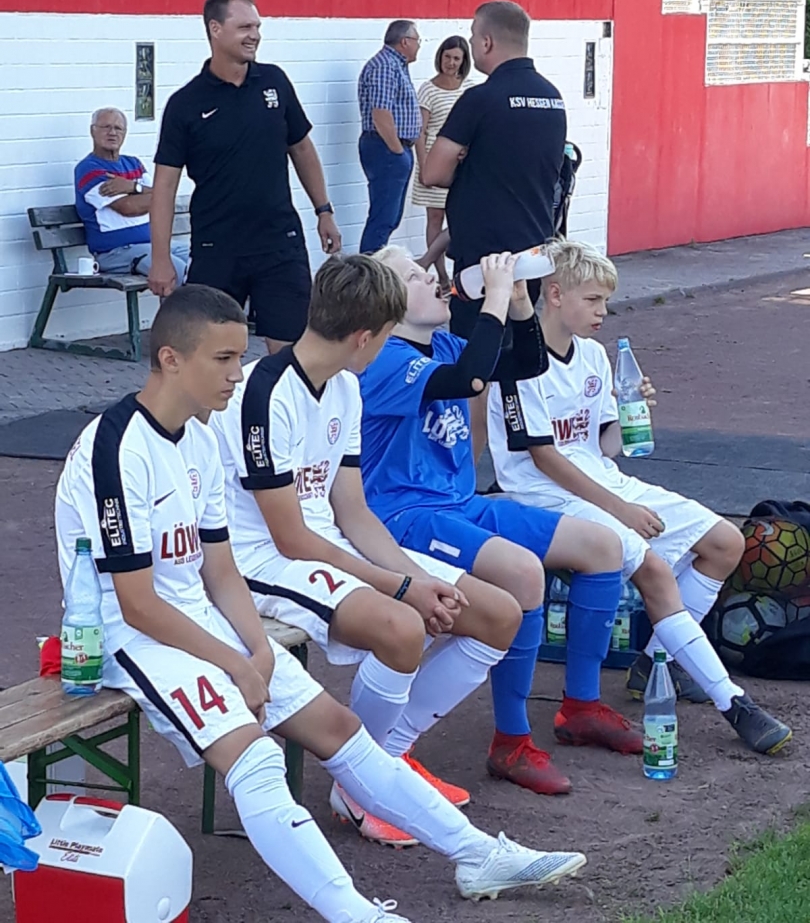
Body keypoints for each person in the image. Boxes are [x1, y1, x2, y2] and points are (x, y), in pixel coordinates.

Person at [54, 284, 587, 921]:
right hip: (126, 636)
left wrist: (256, 649)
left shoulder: (197, 437)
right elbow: (137, 604)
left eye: (238, 356)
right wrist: (235, 660)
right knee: (257, 759)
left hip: (197, 617)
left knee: (341, 730)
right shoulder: (114, 446)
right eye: (222, 359)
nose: (236, 373)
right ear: (170, 359)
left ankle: (477, 854)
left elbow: (219, 568)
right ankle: (355, 913)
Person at [209, 253, 521, 845]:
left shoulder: (346, 386)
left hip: (320, 544)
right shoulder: (264, 393)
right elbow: (291, 537)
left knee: (497, 614)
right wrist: (402, 587)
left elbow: (352, 511)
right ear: (365, 336)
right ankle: (362, 787)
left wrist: (415, 578)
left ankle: (384, 761)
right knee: (402, 627)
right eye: (386, 335)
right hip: (260, 559)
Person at [487, 239, 793, 756]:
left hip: (600, 479)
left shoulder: (592, 355)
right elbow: (544, 457)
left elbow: (603, 446)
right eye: (593, 300)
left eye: (606, 301)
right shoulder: (519, 358)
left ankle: (656, 661)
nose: (603, 312)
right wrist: (620, 510)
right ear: (555, 294)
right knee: (652, 569)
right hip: (542, 494)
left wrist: (633, 414)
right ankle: (734, 702)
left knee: (724, 542)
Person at [360, 246, 645, 797]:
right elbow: (471, 380)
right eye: (415, 277)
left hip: (459, 501)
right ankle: (510, 740)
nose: (433, 278)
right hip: (406, 514)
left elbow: (525, 364)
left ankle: (581, 705)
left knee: (601, 545)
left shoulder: (443, 344)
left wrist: (517, 306)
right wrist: (492, 297)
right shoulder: (386, 359)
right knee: (523, 573)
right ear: (387, 304)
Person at [148, 0, 342, 354]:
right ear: (215, 29)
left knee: (293, 354)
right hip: (217, 247)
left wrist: (324, 211)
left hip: (279, 242)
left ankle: (281, 396)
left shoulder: (275, 82)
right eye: (244, 27)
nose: (254, 35)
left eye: (257, 26)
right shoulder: (185, 104)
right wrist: (160, 259)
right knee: (209, 353)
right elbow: (164, 188)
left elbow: (302, 148)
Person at [421, 0, 566, 459]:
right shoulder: (553, 98)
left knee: (474, 372)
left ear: (485, 42)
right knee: (515, 364)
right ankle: (514, 459)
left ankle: (466, 469)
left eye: (472, 37)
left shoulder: (480, 99)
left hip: (483, 264)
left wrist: (464, 161)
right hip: (532, 254)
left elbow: (433, 172)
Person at [74, 107, 189, 286]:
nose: (112, 133)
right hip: (116, 252)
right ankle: (180, 306)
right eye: (106, 127)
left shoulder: (133, 163)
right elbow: (128, 207)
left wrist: (133, 187)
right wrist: (148, 195)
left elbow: (163, 194)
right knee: (178, 272)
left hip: (152, 246)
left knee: (203, 262)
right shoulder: (89, 169)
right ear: (92, 131)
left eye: (118, 128)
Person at [411, 36, 472, 294]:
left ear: (464, 61)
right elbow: (420, 130)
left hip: (462, 165)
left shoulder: (470, 89)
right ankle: (442, 277)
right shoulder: (428, 89)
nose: (451, 62)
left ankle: (458, 273)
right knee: (434, 218)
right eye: (447, 57)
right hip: (433, 160)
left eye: (456, 58)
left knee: (462, 217)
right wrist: (424, 165)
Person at [357, 21, 422, 254]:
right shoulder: (385, 66)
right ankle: (369, 270)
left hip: (393, 149)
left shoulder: (396, 65)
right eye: (417, 40)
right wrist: (397, 150)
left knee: (389, 218)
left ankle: (375, 266)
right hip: (385, 148)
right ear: (405, 41)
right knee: (383, 218)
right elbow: (381, 113)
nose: (419, 46)